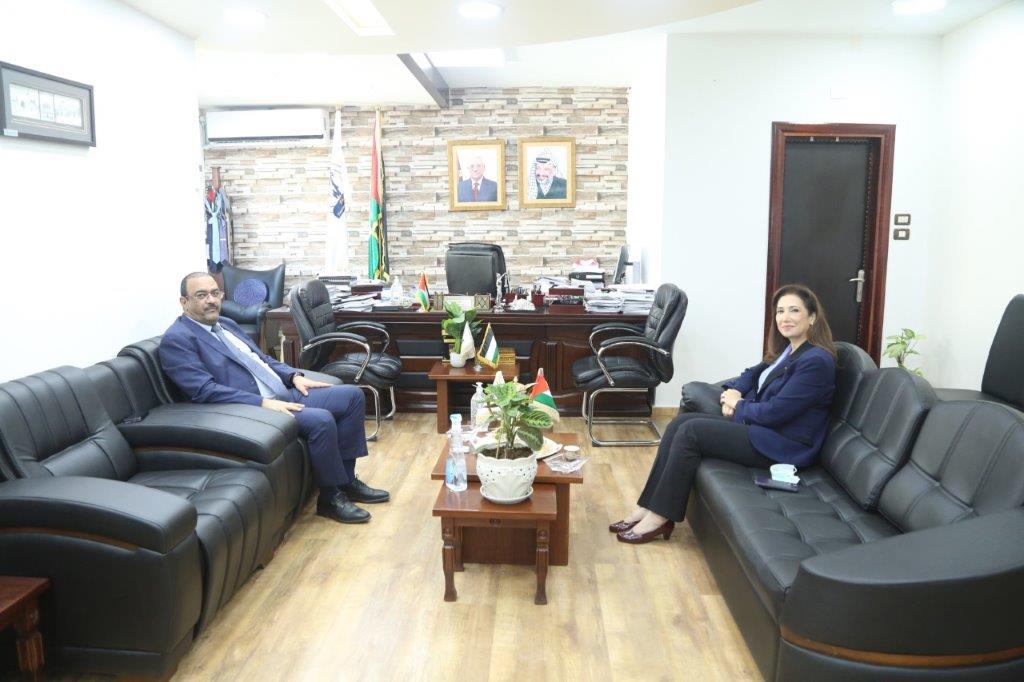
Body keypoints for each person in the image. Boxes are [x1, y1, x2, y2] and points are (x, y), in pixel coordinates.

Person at [611, 284, 837, 544]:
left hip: (782, 445)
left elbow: (777, 412)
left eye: (794, 310)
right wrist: (733, 393)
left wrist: (738, 405)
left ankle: (660, 516)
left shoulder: (816, 361)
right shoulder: (787, 351)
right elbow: (751, 374)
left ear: (812, 317)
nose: (785, 317)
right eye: (780, 311)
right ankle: (648, 506)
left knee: (691, 431)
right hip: (762, 430)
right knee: (679, 422)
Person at [159, 272, 390, 525]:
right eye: (201, 295)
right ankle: (330, 498)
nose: (212, 300)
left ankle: (347, 481)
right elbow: (204, 390)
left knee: (352, 396)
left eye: (215, 293)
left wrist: (293, 376)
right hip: (251, 407)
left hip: (281, 391)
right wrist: (262, 402)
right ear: (184, 302)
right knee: (321, 420)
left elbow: (262, 359)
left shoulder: (226, 323)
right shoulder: (177, 339)